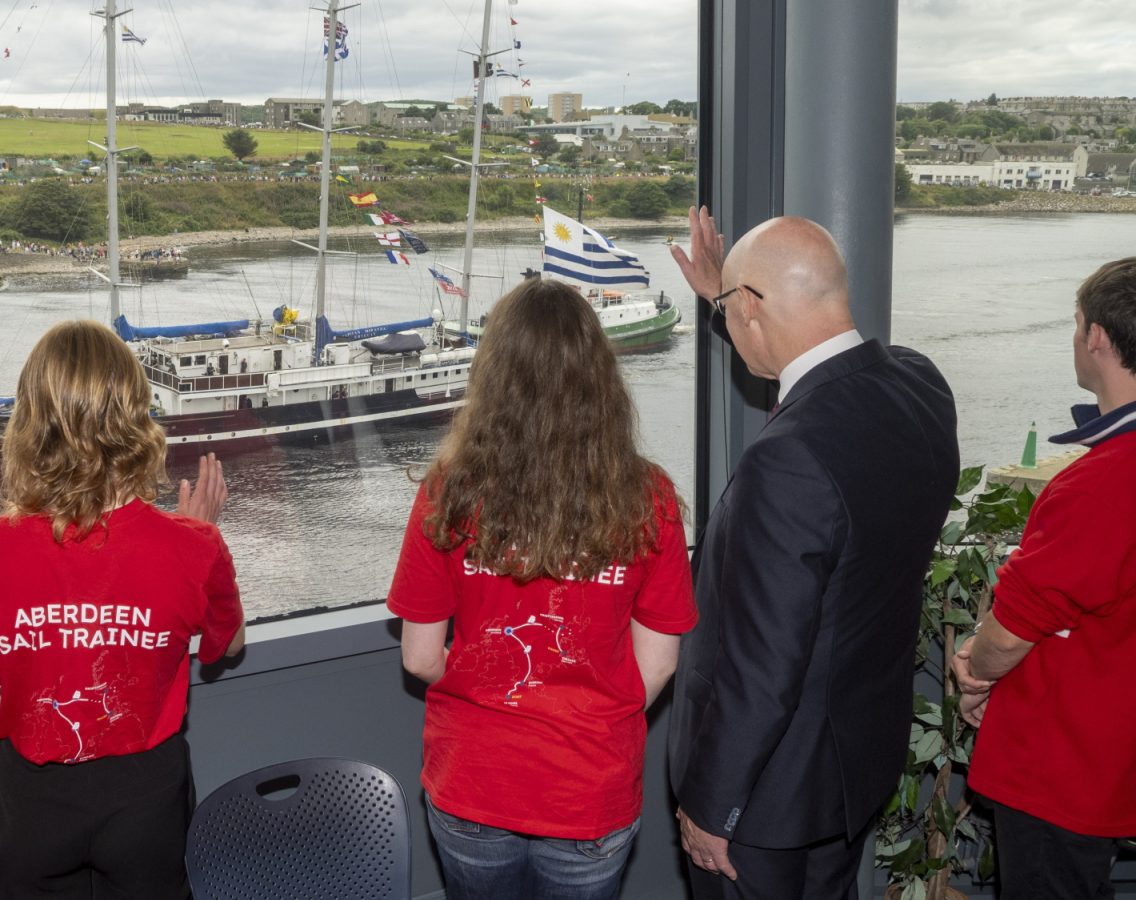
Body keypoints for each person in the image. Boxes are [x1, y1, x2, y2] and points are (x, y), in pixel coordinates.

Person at [665, 207, 959, 899]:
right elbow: (819, 383)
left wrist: (713, 806)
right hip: (851, 770)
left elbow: (762, 665)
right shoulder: (920, 386)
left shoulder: (788, 458)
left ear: (755, 308)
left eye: (735, 314)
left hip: (766, 800)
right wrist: (723, 300)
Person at [388, 278, 696, 900]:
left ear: (492, 376)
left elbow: (421, 658)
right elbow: (657, 666)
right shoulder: (650, 499)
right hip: (589, 788)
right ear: (600, 379)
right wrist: (587, 714)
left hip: (475, 780)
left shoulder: (447, 493)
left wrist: (487, 685)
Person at [0, 320, 246, 900]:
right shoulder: (192, 546)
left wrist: (35, 773)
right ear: (137, 418)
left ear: (29, 424)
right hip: (146, 798)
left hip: (32, 801)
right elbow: (227, 645)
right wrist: (203, 535)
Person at [953, 257, 1136, 900]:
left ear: (1096, 339)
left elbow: (1014, 628)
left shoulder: (1102, 483)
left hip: (1064, 767)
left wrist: (976, 667)